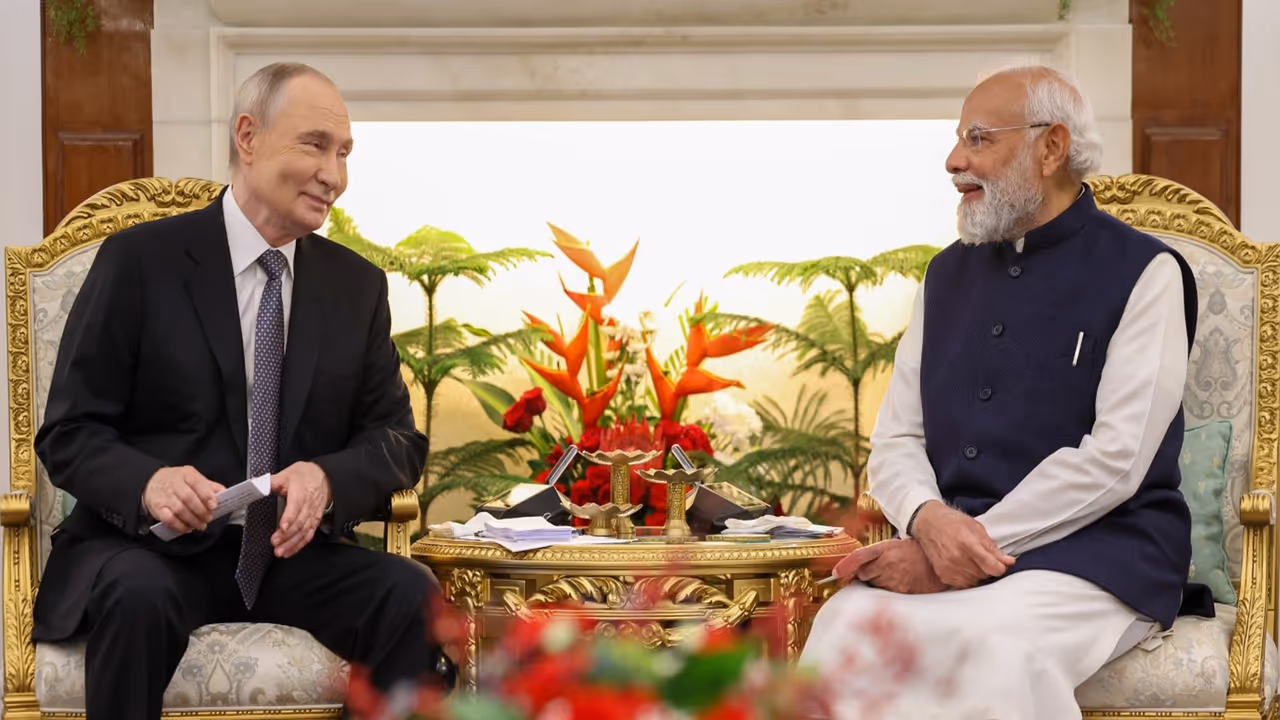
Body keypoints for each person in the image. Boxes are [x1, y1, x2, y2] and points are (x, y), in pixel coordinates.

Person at [31, 62, 452, 718]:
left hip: (287, 556)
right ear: (248, 137)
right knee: (135, 596)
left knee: (411, 597)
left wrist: (326, 477)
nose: (334, 175)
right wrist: (150, 484)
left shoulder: (355, 287)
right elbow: (69, 432)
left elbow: (397, 441)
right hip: (152, 551)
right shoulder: (140, 261)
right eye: (314, 145)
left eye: (343, 154)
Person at [800, 65, 1212, 719]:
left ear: (1051, 147)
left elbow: (1118, 460)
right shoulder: (945, 275)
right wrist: (929, 523)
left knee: (994, 648)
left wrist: (965, 550)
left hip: (1102, 554)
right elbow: (897, 438)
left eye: (979, 138)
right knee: (845, 629)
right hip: (948, 542)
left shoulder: (1146, 271)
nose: (953, 160)